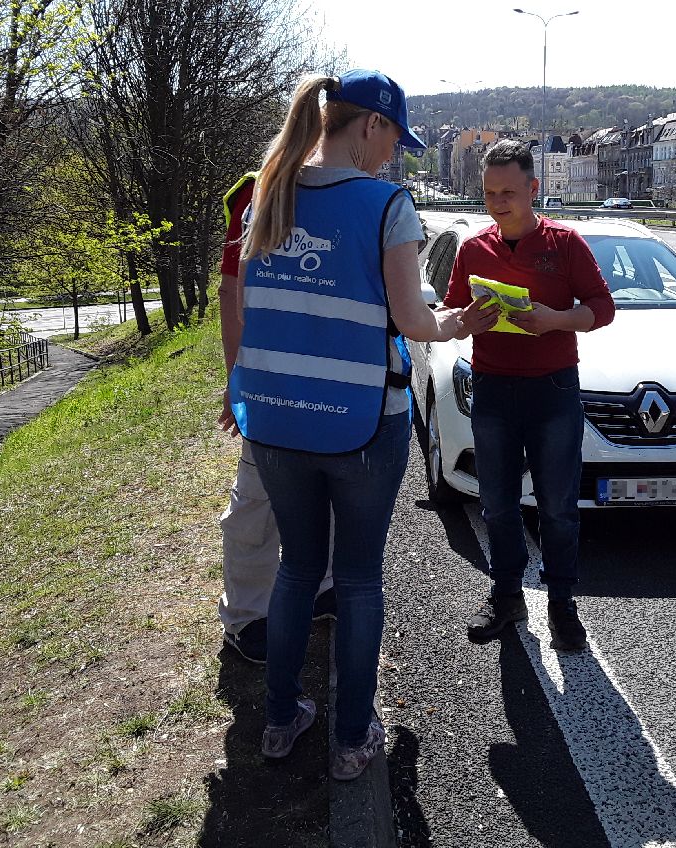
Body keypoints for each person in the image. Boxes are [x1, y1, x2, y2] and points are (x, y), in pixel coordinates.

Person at [229, 69, 479, 780]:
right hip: (364, 420)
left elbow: (253, 309)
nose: (395, 154)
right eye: (395, 137)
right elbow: (412, 320)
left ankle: (280, 722)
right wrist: (460, 321)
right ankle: (349, 741)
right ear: (370, 124)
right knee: (360, 577)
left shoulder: (266, 194)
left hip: (274, 418)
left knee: (297, 568)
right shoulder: (385, 204)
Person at [444, 139, 616, 651]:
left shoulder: (565, 243)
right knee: (496, 503)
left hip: (553, 391)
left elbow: (602, 308)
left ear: (534, 188)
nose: (498, 202)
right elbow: (450, 315)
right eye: (490, 192)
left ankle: (562, 604)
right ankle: (506, 595)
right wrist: (463, 322)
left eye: (509, 192)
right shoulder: (474, 249)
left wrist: (553, 321)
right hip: (493, 388)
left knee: (558, 505)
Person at [215, 173, 335, 665]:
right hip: (273, 383)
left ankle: (324, 589)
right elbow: (231, 292)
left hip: (329, 381)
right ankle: (248, 616)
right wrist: (238, 380)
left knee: (327, 491)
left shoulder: (349, 188)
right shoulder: (259, 191)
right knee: (257, 503)